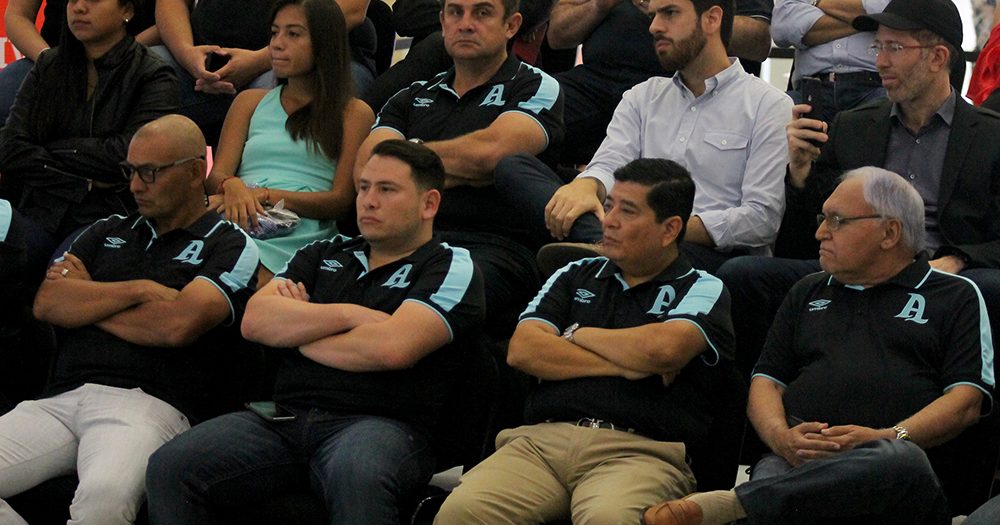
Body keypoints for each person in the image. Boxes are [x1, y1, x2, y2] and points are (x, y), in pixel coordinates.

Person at [145, 140, 485, 525]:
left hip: (382, 423)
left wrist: (299, 330)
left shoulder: (450, 265)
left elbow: (393, 348)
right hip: (285, 417)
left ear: (429, 204)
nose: (368, 201)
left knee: (357, 475)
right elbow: (256, 321)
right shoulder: (323, 252)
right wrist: (351, 315)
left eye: (386, 189)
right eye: (363, 187)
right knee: (170, 465)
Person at [643, 167, 994, 525]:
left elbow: (966, 401)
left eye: (837, 220)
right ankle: (751, 503)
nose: (820, 232)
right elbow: (766, 382)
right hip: (797, 460)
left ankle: (735, 506)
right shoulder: (808, 290)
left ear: (889, 233)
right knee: (776, 470)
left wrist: (887, 436)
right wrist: (781, 438)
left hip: (898, 481)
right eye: (822, 219)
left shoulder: (955, 295)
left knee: (900, 458)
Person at [434, 158, 735, 524]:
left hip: (639, 451)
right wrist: (629, 365)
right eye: (609, 206)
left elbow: (662, 350)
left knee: (608, 519)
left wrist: (576, 333)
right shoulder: (573, 272)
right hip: (541, 442)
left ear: (670, 229)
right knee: (460, 513)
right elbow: (523, 350)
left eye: (627, 211)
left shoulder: (702, 286)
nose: (609, 221)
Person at [718, 0, 1000, 377]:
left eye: (894, 48)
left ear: (937, 57)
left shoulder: (989, 135)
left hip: (940, 273)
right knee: (743, 275)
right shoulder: (853, 126)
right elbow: (803, 238)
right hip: (857, 266)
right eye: (878, 46)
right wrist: (799, 174)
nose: (880, 61)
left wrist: (959, 259)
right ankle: (756, 398)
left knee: (990, 286)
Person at [0, 115, 259, 525]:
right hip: (62, 397)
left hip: (150, 404)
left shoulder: (229, 243)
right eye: (131, 171)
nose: (135, 185)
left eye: (149, 172)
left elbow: (177, 326)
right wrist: (138, 291)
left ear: (195, 172)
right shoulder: (106, 229)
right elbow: (47, 303)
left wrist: (89, 302)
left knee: (103, 501)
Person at [511, 0, 791, 273]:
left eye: (669, 13)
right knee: (515, 166)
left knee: (724, 265)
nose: (654, 27)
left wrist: (661, 229)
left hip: (702, 253)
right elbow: (608, 164)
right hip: (624, 226)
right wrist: (587, 185)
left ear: (712, 19)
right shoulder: (642, 96)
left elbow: (761, 219)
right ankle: (606, 247)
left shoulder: (768, 105)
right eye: (653, 15)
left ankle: (606, 248)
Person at [355, 0, 564, 333]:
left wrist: (407, 157)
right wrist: (454, 167)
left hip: (490, 246)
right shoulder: (411, 95)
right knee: (313, 289)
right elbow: (366, 171)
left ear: (511, 25)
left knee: (402, 316)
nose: (465, 24)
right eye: (455, 12)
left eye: (482, 13)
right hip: (401, 239)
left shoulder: (535, 85)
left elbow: (489, 155)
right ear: (442, 21)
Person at [0, 0, 178, 281]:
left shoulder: (153, 74)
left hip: (104, 217)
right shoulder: (49, 64)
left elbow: (127, 157)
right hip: (36, 209)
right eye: (72, 0)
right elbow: (10, 148)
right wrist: (85, 182)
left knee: (62, 283)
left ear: (127, 11)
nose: (79, 8)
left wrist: (49, 149)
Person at [204, 0, 374, 287]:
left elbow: (340, 201)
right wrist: (231, 185)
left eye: (293, 34)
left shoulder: (354, 113)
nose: (277, 43)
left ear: (324, 42)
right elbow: (217, 175)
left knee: (227, 280)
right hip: (237, 211)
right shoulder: (249, 101)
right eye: (274, 33)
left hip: (299, 228)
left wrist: (262, 195)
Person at [547, 0, 773, 164]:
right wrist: (599, 5)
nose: (654, 26)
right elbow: (556, 36)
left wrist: (676, 10)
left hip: (682, 86)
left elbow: (759, 41)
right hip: (594, 82)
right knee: (531, 114)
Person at [153, 0, 376, 141]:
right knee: (147, 70)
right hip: (200, 56)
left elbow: (352, 9)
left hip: (307, 59)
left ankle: (266, 193)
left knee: (276, 97)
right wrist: (186, 52)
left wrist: (262, 60)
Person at [0, 0, 159, 125]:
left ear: (127, 10)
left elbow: (168, 18)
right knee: (7, 90)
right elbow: (18, 15)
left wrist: (126, 53)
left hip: (141, 51)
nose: (79, 8)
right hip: (55, 54)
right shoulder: (50, 60)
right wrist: (50, 61)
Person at [771, 0, 888, 124]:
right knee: (774, 116)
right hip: (810, 91)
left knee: (892, 116)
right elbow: (782, 28)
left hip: (875, 88)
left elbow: (889, 10)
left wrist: (815, 2)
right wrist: (866, 22)